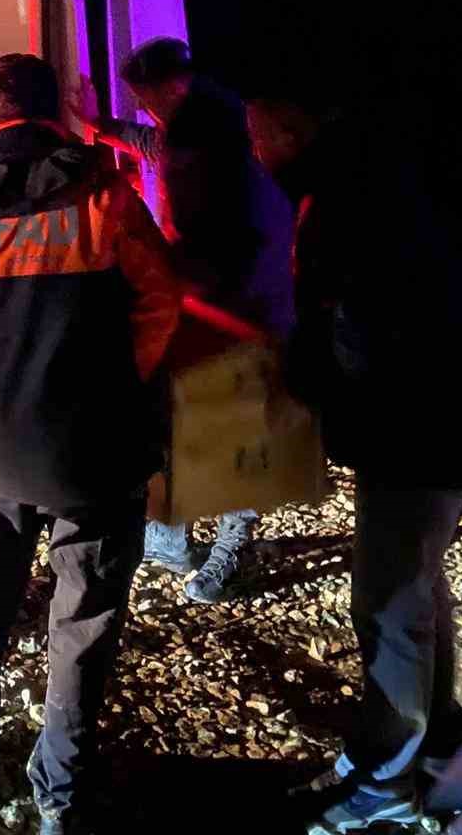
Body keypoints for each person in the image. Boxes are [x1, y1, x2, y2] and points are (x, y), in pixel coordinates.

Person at [0, 53, 183, 833]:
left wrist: (0, 395)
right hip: (95, 455)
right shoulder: (106, 195)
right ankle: (61, 795)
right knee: (84, 622)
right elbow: (159, 303)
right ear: (57, 114)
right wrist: (110, 386)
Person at [246, 98, 462, 835]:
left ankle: (385, 786)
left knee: (390, 602)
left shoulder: (340, 197)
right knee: (421, 587)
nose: (253, 148)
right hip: (434, 417)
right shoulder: (396, 169)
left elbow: (347, 325)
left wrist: (302, 382)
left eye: (257, 131)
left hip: (412, 424)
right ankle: (439, 739)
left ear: (288, 128)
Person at [71, 37, 295, 603]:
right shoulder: (187, 128)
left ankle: (230, 550)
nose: (143, 109)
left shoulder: (225, 140)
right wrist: (99, 123)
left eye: (146, 97)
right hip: (197, 303)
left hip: (240, 308)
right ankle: (172, 534)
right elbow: (149, 142)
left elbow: (234, 232)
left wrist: (167, 271)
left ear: (175, 85)